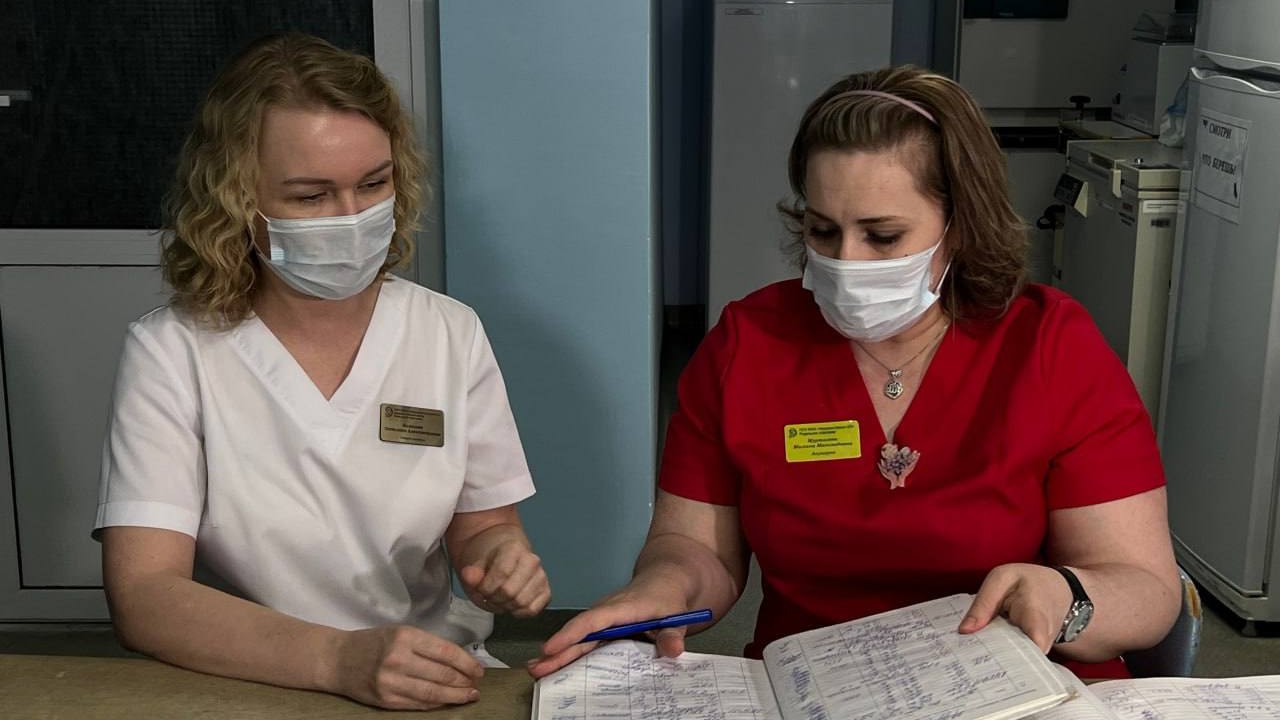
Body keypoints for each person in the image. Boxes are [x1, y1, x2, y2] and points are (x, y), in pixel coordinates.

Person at [531, 65, 1180, 680]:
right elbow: (697, 549)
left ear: (960, 226)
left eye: (883, 236)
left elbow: (1147, 592)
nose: (846, 262)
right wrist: (659, 590)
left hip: (1021, 683)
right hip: (816, 686)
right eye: (822, 230)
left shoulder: (1049, 346)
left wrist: (1067, 597)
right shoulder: (748, 344)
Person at [95, 33, 550, 711]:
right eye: (311, 196)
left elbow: (484, 526)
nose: (352, 218)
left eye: (373, 184)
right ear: (236, 200)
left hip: (427, 668)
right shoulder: (173, 352)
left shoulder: (448, 332)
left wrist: (500, 559)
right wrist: (336, 658)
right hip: (246, 673)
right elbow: (145, 596)